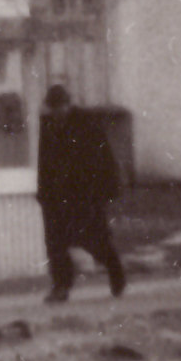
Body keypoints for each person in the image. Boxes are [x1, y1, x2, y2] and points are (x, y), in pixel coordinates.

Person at [36, 85, 126, 301]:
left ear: (68, 104)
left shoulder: (87, 125)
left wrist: (106, 189)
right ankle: (61, 286)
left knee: (94, 240)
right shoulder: (47, 128)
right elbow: (44, 163)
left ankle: (116, 272)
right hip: (56, 197)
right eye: (54, 108)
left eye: (61, 106)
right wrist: (43, 192)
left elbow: (104, 158)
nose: (58, 111)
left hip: (85, 194)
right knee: (55, 243)